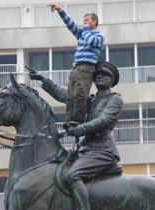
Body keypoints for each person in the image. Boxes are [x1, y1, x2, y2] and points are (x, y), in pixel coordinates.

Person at [30, 61, 123, 210]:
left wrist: (79, 129)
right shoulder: (91, 99)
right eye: (97, 74)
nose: (100, 76)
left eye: (105, 74)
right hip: (86, 149)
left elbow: (103, 120)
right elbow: (67, 97)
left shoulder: (115, 100)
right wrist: (44, 81)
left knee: (73, 175)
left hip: (103, 151)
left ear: (112, 80)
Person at [48, 3, 104, 129]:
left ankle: (78, 120)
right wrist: (60, 11)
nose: (84, 23)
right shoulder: (83, 33)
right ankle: (69, 120)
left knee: (81, 94)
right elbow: (70, 24)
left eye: (87, 20)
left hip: (87, 68)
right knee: (71, 96)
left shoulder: (98, 35)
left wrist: (86, 30)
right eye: (83, 21)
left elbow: (92, 42)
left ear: (95, 22)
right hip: (76, 68)